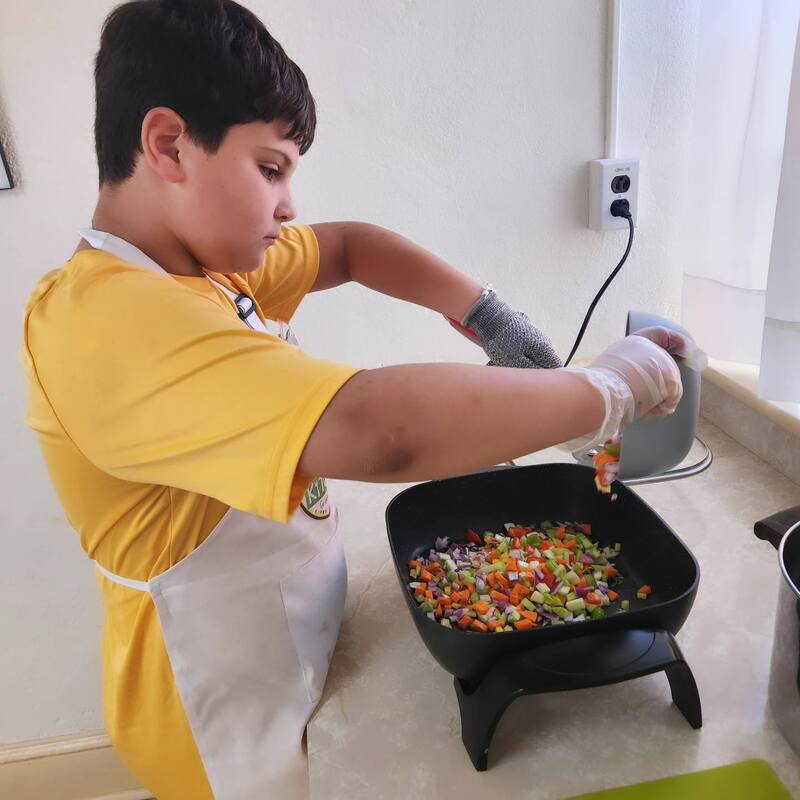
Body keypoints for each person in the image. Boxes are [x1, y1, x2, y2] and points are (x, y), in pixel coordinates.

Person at [19, 1, 699, 798]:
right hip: (212, 716)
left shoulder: (201, 269)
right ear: (168, 145)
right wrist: (607, 389)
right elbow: (380, 430)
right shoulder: (106, 320)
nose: (288, 205)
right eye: (270, 168)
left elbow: (347, 247)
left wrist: (488, 317)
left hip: (291, 641)